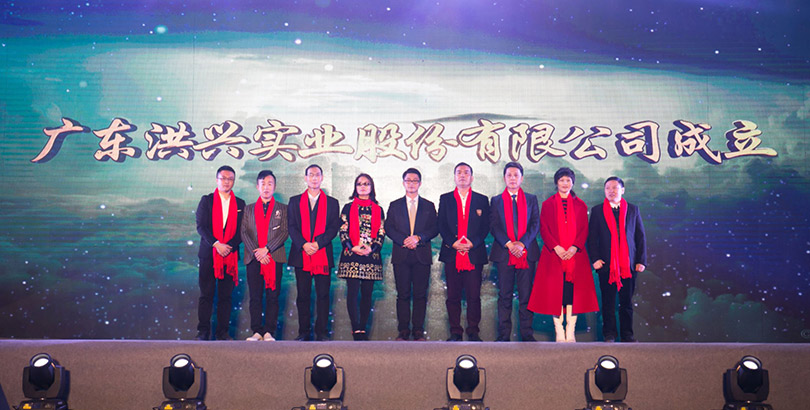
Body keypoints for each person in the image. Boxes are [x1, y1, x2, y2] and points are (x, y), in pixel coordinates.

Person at [527, 167, 598, 342]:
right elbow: (544, 229)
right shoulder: (548, 204)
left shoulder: (581, 205)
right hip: (553, 256)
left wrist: (574, 247)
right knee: (555, 295)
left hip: (576, 256)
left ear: (572, 183)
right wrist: (556, 247)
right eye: (561, 180)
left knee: (572, 294)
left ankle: (570, 330)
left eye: (568, 180)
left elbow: (584, 229)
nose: (565, 184)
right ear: (556, 183)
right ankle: (559, 330)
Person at [587, 176, 647, 343]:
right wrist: (595, 259)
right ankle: (609, 334)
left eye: (615, 187)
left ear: (622, 190)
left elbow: (640, 236)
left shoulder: (633, 210)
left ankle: (627, 335)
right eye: (608, 188)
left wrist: (641, 260)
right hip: (606, 264)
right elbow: (592, 238)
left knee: (626, 302)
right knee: (608, 303)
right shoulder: (597, 211)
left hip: (628, 265)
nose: (611, 191)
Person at [438, 162, 490, 342]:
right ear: (454, 177)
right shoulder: (445, 199)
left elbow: (485, 226)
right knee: (452, 296)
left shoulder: (481, 200)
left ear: (472, 177)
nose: (462, 175)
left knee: (474, 296)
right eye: (459, 172)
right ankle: (455, 332)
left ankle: (473, 331)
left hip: (474, 254)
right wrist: (452, 242)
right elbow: (441, 224)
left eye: (466, 172)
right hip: (452, 254)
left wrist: (473, 242)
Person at [287, 164, 340, 341]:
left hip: (322, 254)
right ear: (305, 178)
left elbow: (333, 228)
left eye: (317, 175)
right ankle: (304, 332)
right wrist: (304, 244)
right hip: (301, 255)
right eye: (311, 175)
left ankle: (322, 332)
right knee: (303, 296)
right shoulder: (294, 201)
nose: (314, 178)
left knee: (323, 295)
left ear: (322, 178)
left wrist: (318, 244)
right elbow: (291, 227)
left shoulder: (332, 203)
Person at [385, 168, 439, 341]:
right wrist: (404, 240)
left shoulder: (429, 206)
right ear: (403, 183)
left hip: (421, 255)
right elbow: (389, 228)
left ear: (420, 183)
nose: (411, 183)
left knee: (420, 295)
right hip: (401, 254)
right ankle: (403, 330)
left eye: (415, 180)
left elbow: (435, 228)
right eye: (408, 180)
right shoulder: (394, 205)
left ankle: (417, 330)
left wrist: (418, 238)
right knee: (402, 294)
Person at [490, 162, 541, 342]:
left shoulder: (531, 199)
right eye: (509, 175)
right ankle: (503, 335)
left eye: (516, 175)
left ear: (522, 178)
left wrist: (522, 244)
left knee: (526, 295)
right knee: (504, 295)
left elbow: (535, 224)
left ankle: (527, 334)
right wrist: (509, 244)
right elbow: (494, 226)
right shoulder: (496, 200)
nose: (512, 178)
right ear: (504, 178)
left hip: (526, 253)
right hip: (504, 253)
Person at [195, 165, 246, 341]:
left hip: (229, 255)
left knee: (226, 296)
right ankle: (203, 331)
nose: (226, 182)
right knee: (206, 294)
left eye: (230, 179)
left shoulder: (240, 204)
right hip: (209, 254)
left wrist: (228, 246)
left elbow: (242, 231)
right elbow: (201, 227)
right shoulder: (207, 201)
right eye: (223, 178)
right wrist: (217, 244)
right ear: (217, 180)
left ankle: (222, 332)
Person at [241, 170, 288, 341]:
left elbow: (284, 232)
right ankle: (257, 331)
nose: (266, 187)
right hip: (254, 258)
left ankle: (269, 331)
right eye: (263, 184)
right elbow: (244, 232)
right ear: (257, 186)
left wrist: (267, 249)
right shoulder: (248, 209)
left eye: (269, 184)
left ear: (274, 186)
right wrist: (258, 252)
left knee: (273, 296)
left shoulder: (283, 209)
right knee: (255, 296)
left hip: (274, 257)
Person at [337, 173, 386, 341]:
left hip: (371, 256)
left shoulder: (378, 209)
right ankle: (356, 329)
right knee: (352, 293)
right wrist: (353, 247)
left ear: (371, 187)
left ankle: (363, 328)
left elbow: (381, 232)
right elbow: (343, 229)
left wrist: (371, 249)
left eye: (366, 184)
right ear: (355, 187)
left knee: (367, 294)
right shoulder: (348, 207)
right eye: (359, 184)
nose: (363, 187)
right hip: (352, 254)